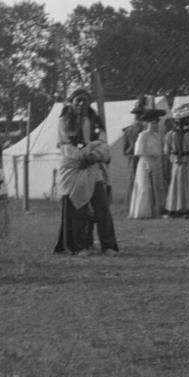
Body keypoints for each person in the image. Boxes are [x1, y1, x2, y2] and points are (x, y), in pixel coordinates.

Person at [53, 87, 120, 256]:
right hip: (73, 169)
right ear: (71, 102)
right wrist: (83, 155)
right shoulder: (64, 121)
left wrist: (95, 155)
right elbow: (65, 145)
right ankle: (78, 246)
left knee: (102, 207)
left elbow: (103, 143)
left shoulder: (95, 121)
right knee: (77, 208)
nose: (82, 104)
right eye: (78, 100)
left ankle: (109, 245)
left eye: (85, 100)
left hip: (93, 168)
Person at [128, 108, 168, 219]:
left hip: (155, 162)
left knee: (157, 186)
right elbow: (139, 151)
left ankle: (157, 209)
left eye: (156, 123)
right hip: (145, 162)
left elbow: (160, 150)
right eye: (153, 123)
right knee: (145, 186)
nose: (154, 125)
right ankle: (143, 211)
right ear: (148, 123)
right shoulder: (143, 135)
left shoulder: (157, 136)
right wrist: (147, 163)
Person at [121, 96, 148, 192]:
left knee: (134, 179)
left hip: (132, 155)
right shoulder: (144, 129)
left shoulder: (128, 129)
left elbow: (125, 150)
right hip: (141, 156)